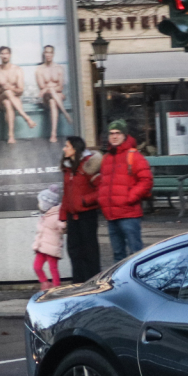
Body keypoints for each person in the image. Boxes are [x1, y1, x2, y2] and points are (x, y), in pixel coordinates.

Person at [97, 120, 153, 261]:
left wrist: (130, 197)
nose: (114, 136)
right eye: (111, 133)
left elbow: (146, 180)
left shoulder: (133, 156)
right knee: (118, 254)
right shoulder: (106, 158)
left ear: (124, 135)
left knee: (136, 253)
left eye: (118, 133)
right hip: (111, 214)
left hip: (129, 213)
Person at [59, 135, 102, 281]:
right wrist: (62, 217)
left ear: (75, 149)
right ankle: (78, 283)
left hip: (87, 215)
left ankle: (92, 283)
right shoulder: (68, 167)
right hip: (72, 217)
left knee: (89, 252)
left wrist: (85, 201)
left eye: (67, 146)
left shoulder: (87, 166)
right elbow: (66, 194)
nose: (64, 148)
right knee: (74, 251)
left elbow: (101, 189)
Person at [0, 46, 35, 144]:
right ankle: (26, 117)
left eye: (6, 53)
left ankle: (11, 136)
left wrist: (11, 88)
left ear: (10, 55)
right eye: (2, 53)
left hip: (14, 100)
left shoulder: (17, 70)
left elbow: (21, 91)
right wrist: (3, 88)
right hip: (1, 101)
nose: (4, 56)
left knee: (8, 102)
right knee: (6, 95)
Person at [34, 45, 72, 144]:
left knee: (53, 100)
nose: (48, 54)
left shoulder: (59, 68)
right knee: (51, 99)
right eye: (46, 52)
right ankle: (65, 113)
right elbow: (42, 87)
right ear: (44, 54)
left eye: (50, 52)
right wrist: (49, 89)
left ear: (53, 54)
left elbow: (61, 87)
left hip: (58, 95)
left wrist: (50, 88)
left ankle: (53, 134)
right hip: (46, 97)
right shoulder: (40, 69)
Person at [33, 185, 64, 289]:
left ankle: (56, 287)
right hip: (42, 247)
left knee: (53, 269)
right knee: (37, 267)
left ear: (46, 204)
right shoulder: (44, 216)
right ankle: (45, 283)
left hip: (52, 247)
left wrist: (63, 225)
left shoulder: (56, 216)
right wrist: (37, 245)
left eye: (40, 202)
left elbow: (62, 226)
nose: (39, 205)